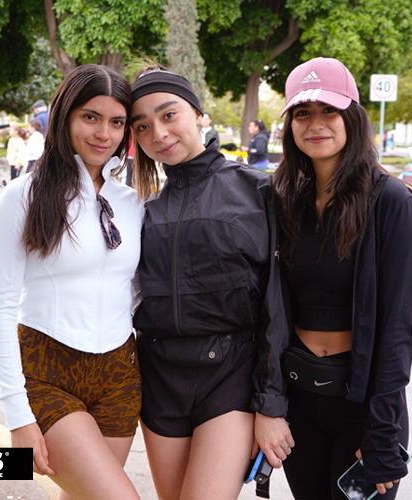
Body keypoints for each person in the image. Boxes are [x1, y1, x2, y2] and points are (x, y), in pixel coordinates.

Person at [129, 66, 292, 500]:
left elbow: (279, 305)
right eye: (141, 126)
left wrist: (271, 403)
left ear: (199, 114)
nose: (158, 133)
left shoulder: (258, 191)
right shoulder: (142, 211)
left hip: (231, 376)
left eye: (168, 115)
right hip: (160, 379)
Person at [0, 64, 144, 500]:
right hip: (46, 372)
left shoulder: (131, 203)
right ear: (65, 116)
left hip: (118, 377)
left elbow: (134, 292)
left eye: (117, 122)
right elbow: (0, 308)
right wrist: (18, 416)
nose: (104, 134)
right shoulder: (22, 196)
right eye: (90, 117)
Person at [272, 57, 412, 500]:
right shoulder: (282, 200)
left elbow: (397, 328)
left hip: (363, 406)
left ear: (352, 117)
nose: (316, 123)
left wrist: (382, 430)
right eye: (303, 112)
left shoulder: (392, 202)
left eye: (329, 111)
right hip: (301, 400)